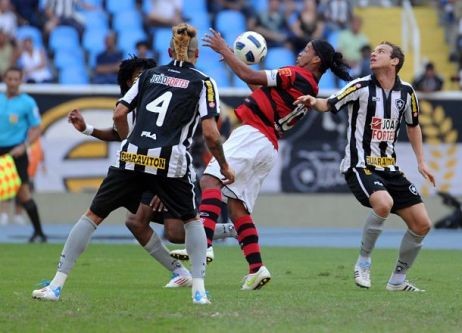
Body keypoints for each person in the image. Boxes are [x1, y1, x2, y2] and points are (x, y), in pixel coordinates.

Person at [32, 23, 235, 305]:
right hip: (170, 161)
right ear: (197, 54)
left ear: (168, 51)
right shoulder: (203, 82)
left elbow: (118, 114)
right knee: (190, 221)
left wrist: (133, 142)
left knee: (92, 216)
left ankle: (55, 286)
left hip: (131, 157)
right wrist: (224, 166)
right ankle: (199, 292)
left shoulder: (150, 75)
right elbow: (211, 134)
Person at [170, 29, 351, 290]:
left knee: (210, 180)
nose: (301, 52)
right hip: (268, 145)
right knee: (237, 208)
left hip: (253, 134)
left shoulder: (295, 73)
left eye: (308, 49)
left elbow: (250, 75)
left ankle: (204, 245)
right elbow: (257, 86)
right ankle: (256, 269)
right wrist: (233, 58)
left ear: (316, 60)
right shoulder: (309, 84)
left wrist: (224, 49)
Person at [68, 56, 236, 286]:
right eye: (138, 75)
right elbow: (122, 135)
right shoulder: (137, 103)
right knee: (142, 224)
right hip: (142, 167)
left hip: (167, 170)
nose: (145, 78)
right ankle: (181, 271)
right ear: (129, 82)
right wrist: (87, 129)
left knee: (172, 230)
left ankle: (230, 231)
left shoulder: (157, 95)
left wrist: (160, 184)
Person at [294, 41, 435, 292]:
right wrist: (311, 100)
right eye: (374, 51)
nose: (373, 53)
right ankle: (363, 262)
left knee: (422, 224)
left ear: (395, 62)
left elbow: (413, 125)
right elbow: (328, 103)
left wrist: (421, 162)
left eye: (381, 51)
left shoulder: (407, 92)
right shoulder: (359, 86)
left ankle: (397, 281)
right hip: (360, 165)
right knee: (383, 203)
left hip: (390, 168)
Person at [0, 67, 47, 242]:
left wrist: (25, 145)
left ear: (20, 81)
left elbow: (37, 128)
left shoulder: (27, 103)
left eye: (15, 79)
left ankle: (39, 232)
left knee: (23, 194)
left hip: (15, 152)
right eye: (9, 79)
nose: (12, 82)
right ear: (5, 79)